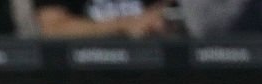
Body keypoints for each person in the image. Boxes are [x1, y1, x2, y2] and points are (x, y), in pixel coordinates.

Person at [33, 0, 171, 37]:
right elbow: (53, 28)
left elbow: (171, 12)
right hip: (82, 69)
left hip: (152, 63)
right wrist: (123, 25)